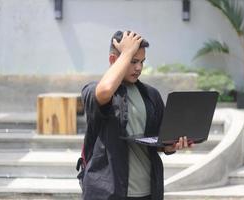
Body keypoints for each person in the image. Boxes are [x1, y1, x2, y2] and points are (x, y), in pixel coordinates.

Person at [77, 30, 192, 200]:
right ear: (113, 60)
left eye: (142, 62)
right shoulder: (94, 90)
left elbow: (158, 140)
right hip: (107, 192)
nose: (139, 68)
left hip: (148, 192)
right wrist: (127, 51)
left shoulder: (151, 95)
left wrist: (171, 145)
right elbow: (105, 90)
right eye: (133, 61)